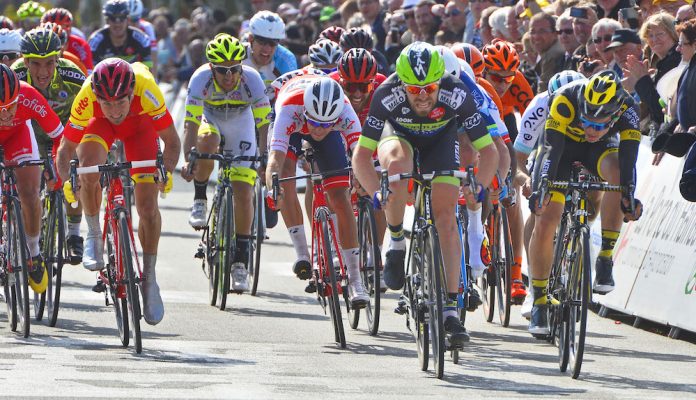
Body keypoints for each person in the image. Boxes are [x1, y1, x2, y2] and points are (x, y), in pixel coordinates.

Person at [352, 42, 499, 345]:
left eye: (429, 88)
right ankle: (395, 243)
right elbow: (361, 156)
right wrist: (375, 193)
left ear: (440, 81)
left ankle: (450, 310)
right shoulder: (386, 95)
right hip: (399, 136)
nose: (422, 96)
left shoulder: (457, 93)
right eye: (414, 89)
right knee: (396, 165)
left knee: (445, 218)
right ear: (401, 83)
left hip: (440, 140)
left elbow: (489, 150)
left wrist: (479, 187)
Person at [56, 58, 181, 325]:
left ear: (131, 93)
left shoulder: (146, 88)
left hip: (140, 128)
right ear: (97, 97)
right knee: (88, 168)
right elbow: (65, 150)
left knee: (147, 207)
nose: (114, 110)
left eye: (120, 102)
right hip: (99, 128)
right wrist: (68, 180)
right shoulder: (87, 94)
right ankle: (93, 234)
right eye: (107, 103)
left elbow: (171, 141)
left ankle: (149, 278)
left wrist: (166, 172)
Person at [527, 70, 643, 335]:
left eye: (599, 124)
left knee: (617, 173)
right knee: (546, 219)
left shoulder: (628, 109)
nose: (591, 129)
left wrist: (629, 193)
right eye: (586, 121)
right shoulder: (566, 99)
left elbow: (629, 156)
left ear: (614, 116)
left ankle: (604, 257)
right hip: (562, 150)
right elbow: (550, 149)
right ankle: (540, 301)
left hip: (600, 151)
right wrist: (542, 186)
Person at [265, 75, 370, 308]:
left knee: (341, 198)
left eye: (325, 124)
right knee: (284, 176)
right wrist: (272, 185)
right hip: (292, 126)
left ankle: (355, 280)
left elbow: (360, 154)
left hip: (329, 125)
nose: (318, 129)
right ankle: (302, 253)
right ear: (306, 112)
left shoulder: (344, 111)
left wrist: (362, 179)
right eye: (314, 122)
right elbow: (274, 159)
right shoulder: (291, 107)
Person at [182, 34, 271, 292]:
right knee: (207, 140)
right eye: (222, 71)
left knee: (243, 192)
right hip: (210, 118)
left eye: (234, 69)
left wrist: (264, 157)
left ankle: (240, 262)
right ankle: (200, 199)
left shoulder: (252, 79)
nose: (229, 76)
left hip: (240, 123)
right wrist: (190, 157)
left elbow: (264, 124)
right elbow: (190, 124)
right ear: (212, 68)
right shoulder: (200, 80)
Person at [12, 27, 87, 265]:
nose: (42, 71)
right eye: (35, 64)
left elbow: (92, 112)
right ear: (25, 61)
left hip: (66, 134)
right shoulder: (15, 76)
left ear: (58, 59)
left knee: (76, 173)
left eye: (49, 63)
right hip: (30, 136)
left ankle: (74, 233)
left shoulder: (73, 76)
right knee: (27, 189)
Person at [0, 64, 63, 294]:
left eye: (11, 106)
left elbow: (59, 136)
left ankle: (34, 253)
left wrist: (54, 165)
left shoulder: (28, 96)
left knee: (29, 193)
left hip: (18, 136)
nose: (7, 113)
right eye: (1, 108)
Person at [242, 11, 298, 96]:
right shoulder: (238, 55)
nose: (267, 49)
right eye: (262, 41)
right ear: (250, 39)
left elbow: (291, 96)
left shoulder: (286, 59)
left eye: (273, 42)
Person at [88, 0, 152, 67]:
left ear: (127, 19)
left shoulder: (142, 39)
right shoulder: (95, 41)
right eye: (113, 18)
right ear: (107, 20)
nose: (117, 24)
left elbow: (148, 70)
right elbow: (91, 72)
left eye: (122, 18)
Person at [41, 8, 94, 73]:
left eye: (61, 28)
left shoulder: (80, 44)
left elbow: (89, 72)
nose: (57, 32)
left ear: (70, 29)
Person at [530, 13, 565, 91]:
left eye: (542, 31)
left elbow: (543, 91)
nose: (536, 36)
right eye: (532, 32)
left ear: (555, 34)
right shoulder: (544, 51)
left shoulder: (552, 56)